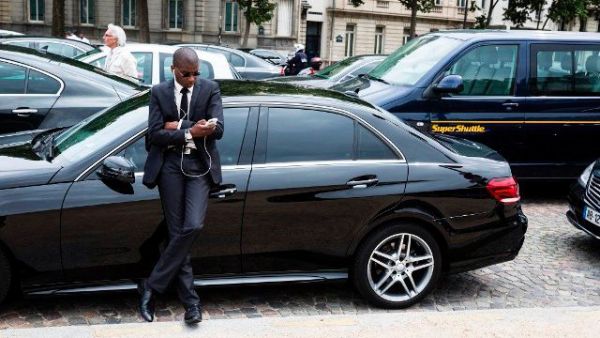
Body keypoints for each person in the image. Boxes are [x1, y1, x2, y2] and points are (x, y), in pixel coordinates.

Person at [140, 47, 224, 325]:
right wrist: (189, 131)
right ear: (173, 70)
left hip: (199, 166)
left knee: (193, 226)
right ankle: (191, 304)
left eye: (195, 74)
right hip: (170, 168)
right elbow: (154, 134)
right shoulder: (158, 92)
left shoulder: (210, 89)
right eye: (186, 74)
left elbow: (218, 129)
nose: (191, 79)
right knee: (177, 233)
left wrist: (179, 126)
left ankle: (152, 286)